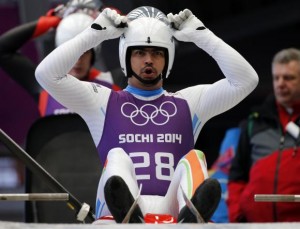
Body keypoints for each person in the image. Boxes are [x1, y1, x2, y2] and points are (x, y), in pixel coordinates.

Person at [35, 6, 258, 224]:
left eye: (157, 52)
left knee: (195, 158)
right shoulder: (101, 101)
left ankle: (191, 218)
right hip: (116, 219)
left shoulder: (189, 103)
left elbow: (246, 81)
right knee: (117, 157)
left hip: (173, 215)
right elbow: (46, 75)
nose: (149, 59)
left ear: (168, 58)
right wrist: (93, 35)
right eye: (140, 52)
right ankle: (131, 217)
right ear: (126, 56)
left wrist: (203, 37)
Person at [0, 0, 121, 117]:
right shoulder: (44, 85)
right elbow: (2, 49)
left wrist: (122, 22)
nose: (77, 60)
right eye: (71, 53)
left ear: (94, 54)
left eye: (84, 53)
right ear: (60, 54)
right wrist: (49, 23)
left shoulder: (115, 81)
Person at [227, 48, 300, 222]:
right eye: (276, 77)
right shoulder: (254, 122)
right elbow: (237, 177)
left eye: (288, 78)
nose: (280, 83)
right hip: (255, 225)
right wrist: (238, 217)